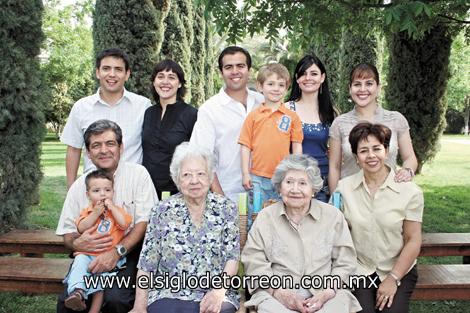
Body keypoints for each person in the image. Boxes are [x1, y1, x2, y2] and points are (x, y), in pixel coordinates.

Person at [56, 119, 158, 313]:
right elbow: (68, 234)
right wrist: (76, 244)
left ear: (121, 147)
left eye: (110, 143)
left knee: (116, 299)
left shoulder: (138, 175)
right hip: (87, 256)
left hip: (127, 254)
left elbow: (144, 223)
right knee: (66, 303)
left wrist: (116, 252)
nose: (103, 150)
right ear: (88, 152)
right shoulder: (80, 186)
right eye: (96, 145)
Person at [242, 154, 362, 313]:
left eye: (303, 183)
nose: (295, 189)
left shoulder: (333, 217)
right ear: (280, 187)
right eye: (289, 182)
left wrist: (327, 293)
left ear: (313, 189)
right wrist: (280, 293)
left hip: (326, 294)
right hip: (276, 294)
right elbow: (253, 261)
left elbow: (345, 262)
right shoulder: (266, 218)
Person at [129, 142, 240, 313]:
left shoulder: (227, 209)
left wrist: (219, 291)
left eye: (201, 174)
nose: (194, 180)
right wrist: (139, 306)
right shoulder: (162, 210)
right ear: (177, 179)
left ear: (210, 177)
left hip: (215, 290)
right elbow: (147, 263)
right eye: (187, 174)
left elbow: (232, 258)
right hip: (169, 292)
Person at [334, 122, 423, 313]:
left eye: (377, 148)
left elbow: (413, 239)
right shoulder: (344, 188)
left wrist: (393, 278)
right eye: (363, 150)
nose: (371, 155)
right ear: (356, 157)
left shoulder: (410, 192)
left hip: (397, 268)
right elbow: (336, 233)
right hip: (360, 268)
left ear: (387, 151)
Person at [61, 48, 151, 189]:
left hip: (133, 188)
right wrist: (71, 189)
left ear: (127, 74)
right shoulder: (81, 107)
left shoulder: (143, 106)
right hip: (95, 189)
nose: (112, 74)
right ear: (98, 72)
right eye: (106, 68)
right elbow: (73, 149)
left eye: (118, 69)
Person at [190, 46, 264, 203]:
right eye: (228, 67)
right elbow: (202, 158)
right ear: (221, 72)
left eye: (240, 66)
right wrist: (221, 200)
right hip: (229, 194)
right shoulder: (210, 109)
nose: (235, 71)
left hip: (267, 194)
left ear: (249, 70)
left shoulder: (263, 102)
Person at [328, 63, 418, 193]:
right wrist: (335, 201)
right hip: (351, 197)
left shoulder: (396, 120)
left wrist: (407, 170)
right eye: (357, 84)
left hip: (387, 195)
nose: (362, 89)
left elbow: (410, 157)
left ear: (378, 88)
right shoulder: (339, 123)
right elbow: (334, 167)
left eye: (369, 83)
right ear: (350, 88)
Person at [239, 63, 303, 218]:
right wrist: (245, 173)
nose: (276, 89)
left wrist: (296, 172)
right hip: (257, 177)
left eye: (281, 85)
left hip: (283, 177)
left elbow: (297, 146)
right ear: (260, 86)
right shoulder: (253, 116)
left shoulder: (292, 117)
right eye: (271, 84)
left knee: (282, 216)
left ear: (287, 88)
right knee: (256, 215)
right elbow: (245, 146)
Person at [63, 169, 132, 312]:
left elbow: (124, 224)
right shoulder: (87, 212)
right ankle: (77, 293)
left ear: (113, 192)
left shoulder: (117, 211)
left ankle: (93, 310)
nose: (102, 194)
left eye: (107, 190)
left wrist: (112, 208)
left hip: (108, 256)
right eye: (96, 191)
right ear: (88, 195)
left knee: (99, 283)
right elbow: (82, 227)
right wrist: (95, 213)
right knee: (79, 264)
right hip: (87, 254)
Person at [142, 59, 197, 199]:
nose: (165, 82)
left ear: (179, 84)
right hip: (147, 191)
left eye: (171, 77)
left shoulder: (191, 114)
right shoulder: (149, 113)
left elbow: (198, 155)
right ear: (154, 82)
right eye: (160, 77)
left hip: (179, 192)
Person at [287, 54, 337, 202]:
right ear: (297, 78)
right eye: (303, 74)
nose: (308, 78)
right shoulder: (286, 109)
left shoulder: (332, 112)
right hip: (295, 180)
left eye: (314, 73)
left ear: (322, 78)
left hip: (323, 180)